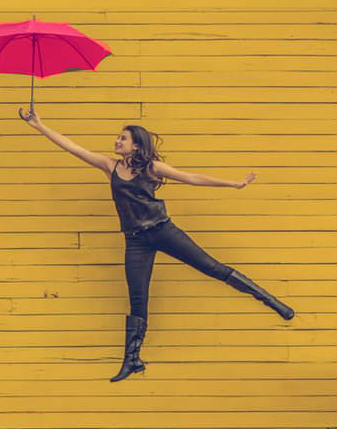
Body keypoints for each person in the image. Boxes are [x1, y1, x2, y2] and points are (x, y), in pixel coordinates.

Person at [18, 107, 294, 383]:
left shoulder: (152, 168)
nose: (117, 141)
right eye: (118, 138)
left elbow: (192, 177)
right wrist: (38, 125)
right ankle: (132, 359)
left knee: (211, 267)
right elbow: (72, 148)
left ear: (136, 145)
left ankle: (269, 300)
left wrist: (233, 184)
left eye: (122, 138)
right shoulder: (110, 166)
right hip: (136, 241)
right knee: (137, 297)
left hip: (163, 231)